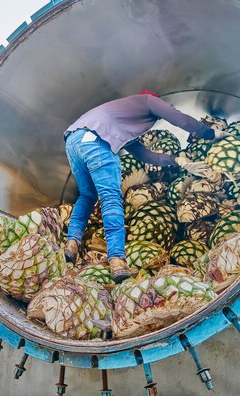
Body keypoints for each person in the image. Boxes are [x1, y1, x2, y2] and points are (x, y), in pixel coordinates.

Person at [63, 91, 230, 283]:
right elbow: (180, 119)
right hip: (98, 141)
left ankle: (71, 244)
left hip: (73, 141)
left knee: (87, 195)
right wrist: (209, 133)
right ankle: (117, 260)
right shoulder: (148, 100)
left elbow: (144, 155)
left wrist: (178, 161)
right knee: (111, 200)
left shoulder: (122, 120)